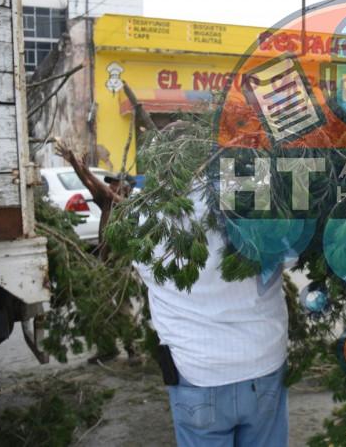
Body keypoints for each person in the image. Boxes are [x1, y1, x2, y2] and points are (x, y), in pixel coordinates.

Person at [136, 185, 289, 446]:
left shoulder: (150, 208)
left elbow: (145, 267)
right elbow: (292, 252)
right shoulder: (254, 190)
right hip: (263, 360)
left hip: (199, 370)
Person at [54, 140, 138, 362]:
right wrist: (75, 165)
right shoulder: (107, 203)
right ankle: (108, 349)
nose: (110, 186)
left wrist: (85, 168)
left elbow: (104, 191)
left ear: (127, 189)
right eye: (110, 183)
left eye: (115, 184)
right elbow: (90, 185)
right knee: (100, 305)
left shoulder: (124, 205)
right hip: (106, 263)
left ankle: (133, 351)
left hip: (121, 266)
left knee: (122, 307)